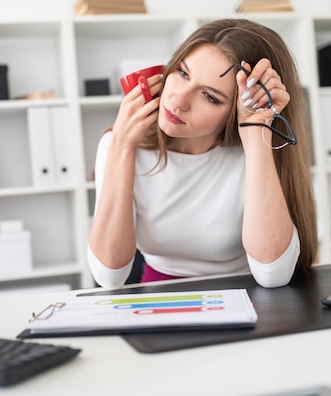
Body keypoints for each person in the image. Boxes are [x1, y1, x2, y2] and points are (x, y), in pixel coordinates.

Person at [87, 18, 318, 289]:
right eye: (183, 73)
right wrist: (123, 146)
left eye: (209, 96)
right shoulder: (118, 145)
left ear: (234, 111)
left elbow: (273, 275)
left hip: (249, 298)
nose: (178, 100)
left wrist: (256, 131)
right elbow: (108, 277)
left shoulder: (257, 148)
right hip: (160, 297)